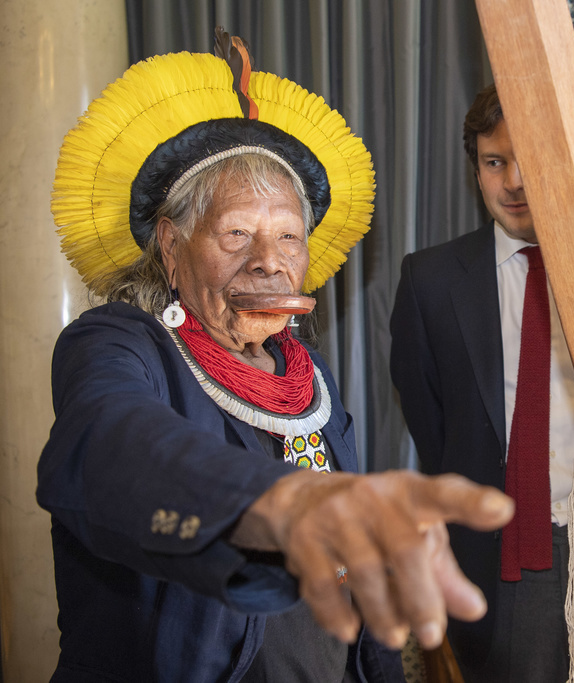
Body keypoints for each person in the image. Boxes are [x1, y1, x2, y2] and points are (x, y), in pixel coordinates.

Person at [37, 33, 512, 682]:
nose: (269, 260)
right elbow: (108, 442)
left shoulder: (309, 378)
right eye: (236, 233)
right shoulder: (120, 343)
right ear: (172, 249)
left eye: (289, 235)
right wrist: (288, 503)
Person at [389, 84, 574, 682]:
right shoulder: (430, 279)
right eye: (495, 163)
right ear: (476, 169)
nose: (515, 182)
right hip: (497, 559)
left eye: (531, 162)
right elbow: (431, 422)